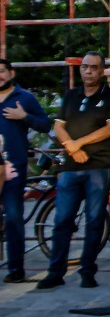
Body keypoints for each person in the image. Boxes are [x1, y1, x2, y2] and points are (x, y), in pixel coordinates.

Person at [38, 53, 110, 290]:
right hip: (71, 167)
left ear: (102, 71)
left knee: (94, 221)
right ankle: (55, 272)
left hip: (99, 167)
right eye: (85, 67)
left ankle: (87, 271)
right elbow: (58, 126)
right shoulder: (70, 96)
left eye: (94, 68)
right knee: (62, 220)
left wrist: (79, 143)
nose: (88, 71)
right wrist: (72, 148)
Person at [2, 59, 53, 282]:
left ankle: (16, 268)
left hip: (13, 168)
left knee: (13, 217)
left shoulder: (24, 98)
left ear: (11, 73)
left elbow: (45, 124)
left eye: (2, 72)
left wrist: (24, 117)